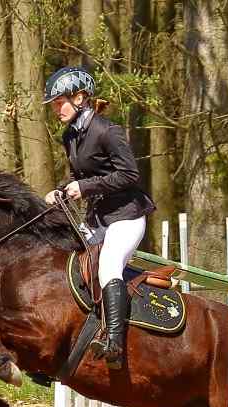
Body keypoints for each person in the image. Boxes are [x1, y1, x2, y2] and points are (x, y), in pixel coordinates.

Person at [42, 66, 155, 370]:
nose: (55, 109)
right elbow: (80, 176)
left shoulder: (107, 131)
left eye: (58, 102)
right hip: (98, 219)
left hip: (126, 216)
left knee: (107, 265)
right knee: (66, 264)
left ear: (80, 97)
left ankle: (115, 343)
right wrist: (62, 190)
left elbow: (130, 174)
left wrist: (85, 186)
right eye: (53, 104)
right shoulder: (70, 136)